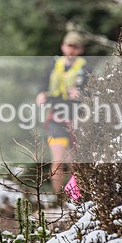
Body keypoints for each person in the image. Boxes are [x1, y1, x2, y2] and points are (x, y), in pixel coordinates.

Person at [35, 31, 89, 195]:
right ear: (63, 46)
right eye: (69, 46)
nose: (71, 50)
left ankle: (74, 200)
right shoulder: (53, 65)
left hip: (78, 120)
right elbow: (43, 86)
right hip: (56, 118)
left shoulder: (87, 69)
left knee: (75, 164)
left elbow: (95, 94)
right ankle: (57, 198)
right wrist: (41, 94)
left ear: (80, 50)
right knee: (57, 161)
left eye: (75, 47)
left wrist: (81, 95)